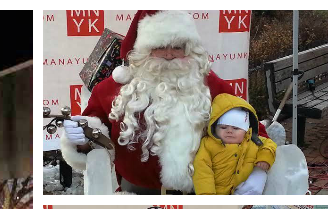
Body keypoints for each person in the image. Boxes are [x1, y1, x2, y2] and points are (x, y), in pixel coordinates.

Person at [61, 10, 275, 194]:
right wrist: (80, 139)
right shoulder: (112, 90)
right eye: (160, 46)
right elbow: (92, 139)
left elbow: (255, 132)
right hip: (136, 197)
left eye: (178, 47)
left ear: (190, 48)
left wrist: (259, 170)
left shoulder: (210, 85)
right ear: (144, 50)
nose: (170, 55)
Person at [193, 94, 277, 195]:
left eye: (236, 128)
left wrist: (265, 158)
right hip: (218, 193)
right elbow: (202, 171)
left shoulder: (252, 141)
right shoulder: (208, 144)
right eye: (223, 127)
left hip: (242, 189)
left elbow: (269, 144)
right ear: (214, 127)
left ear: (246, 130)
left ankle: (247, 205)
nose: (229, 131)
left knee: (260, 174)